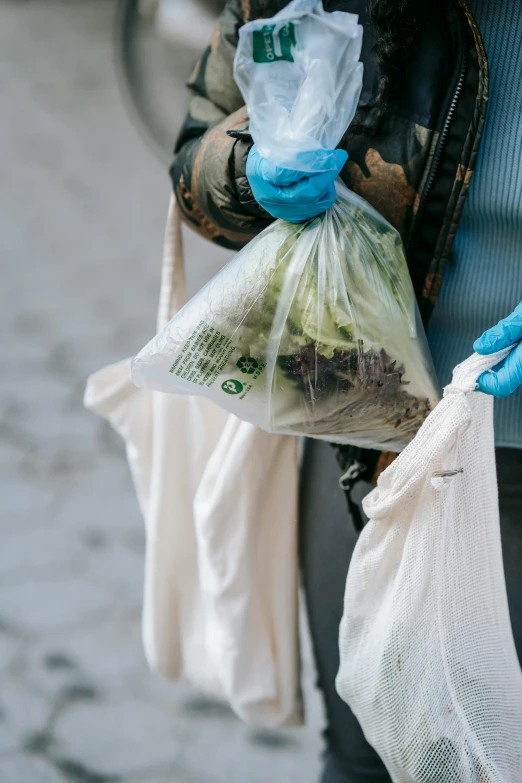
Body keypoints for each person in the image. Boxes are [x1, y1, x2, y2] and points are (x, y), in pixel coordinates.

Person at [171, 1, 522, 780]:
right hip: (361, 427)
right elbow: (196, 151)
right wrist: (247, 172)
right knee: (362, 752)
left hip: (511, 458)